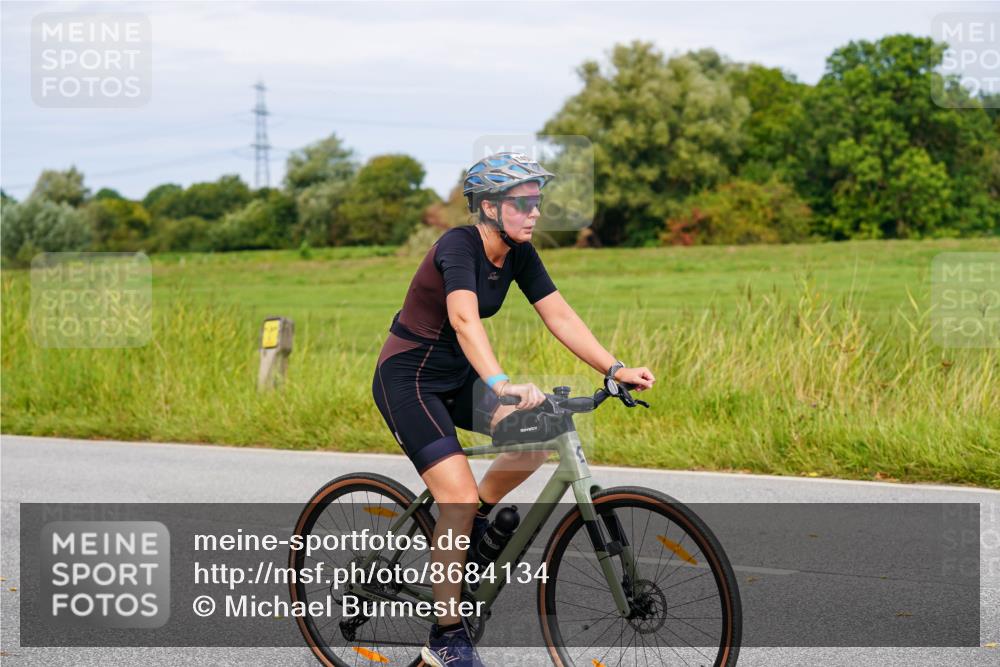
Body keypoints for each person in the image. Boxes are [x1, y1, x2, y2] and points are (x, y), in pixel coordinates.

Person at [371, 151, 655, 667]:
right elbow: (463, 319)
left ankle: (474, 525)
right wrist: (500, 384)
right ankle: (446, 635)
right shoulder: (458, 246)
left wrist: (614, 369)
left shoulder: (520, 252)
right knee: (454, 495)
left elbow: (559, 314)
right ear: (488, 207)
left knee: (541, 436)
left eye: (537, 201)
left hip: (456, 377)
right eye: (523, 202)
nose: (535, 212)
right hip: (408, 378)